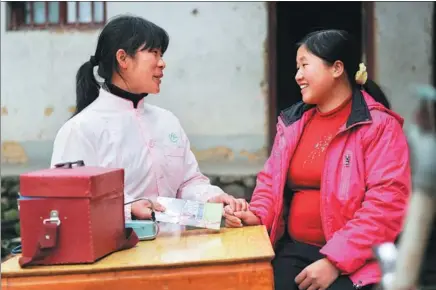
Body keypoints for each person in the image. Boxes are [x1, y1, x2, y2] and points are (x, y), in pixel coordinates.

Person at [224, 29, 411, 290]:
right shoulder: (292, 124)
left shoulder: (379, 126)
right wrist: (256, 216)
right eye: (296, 67)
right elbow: (269, 183)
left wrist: (334, 262)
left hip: (356, 261)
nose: (297, 76)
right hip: (295, 252)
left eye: (304, 65)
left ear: (336, 68)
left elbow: (386, 207)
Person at [51, 15, 246, 222]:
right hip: (118, 250)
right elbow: (68, 201)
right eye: (153, 53)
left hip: (175, 249)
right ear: (123, 58)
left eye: (161, 54)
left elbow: (188, 182)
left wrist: (211, 198)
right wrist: (128, 208)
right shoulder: (80, 129)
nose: (162, 64)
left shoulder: (167, 121)